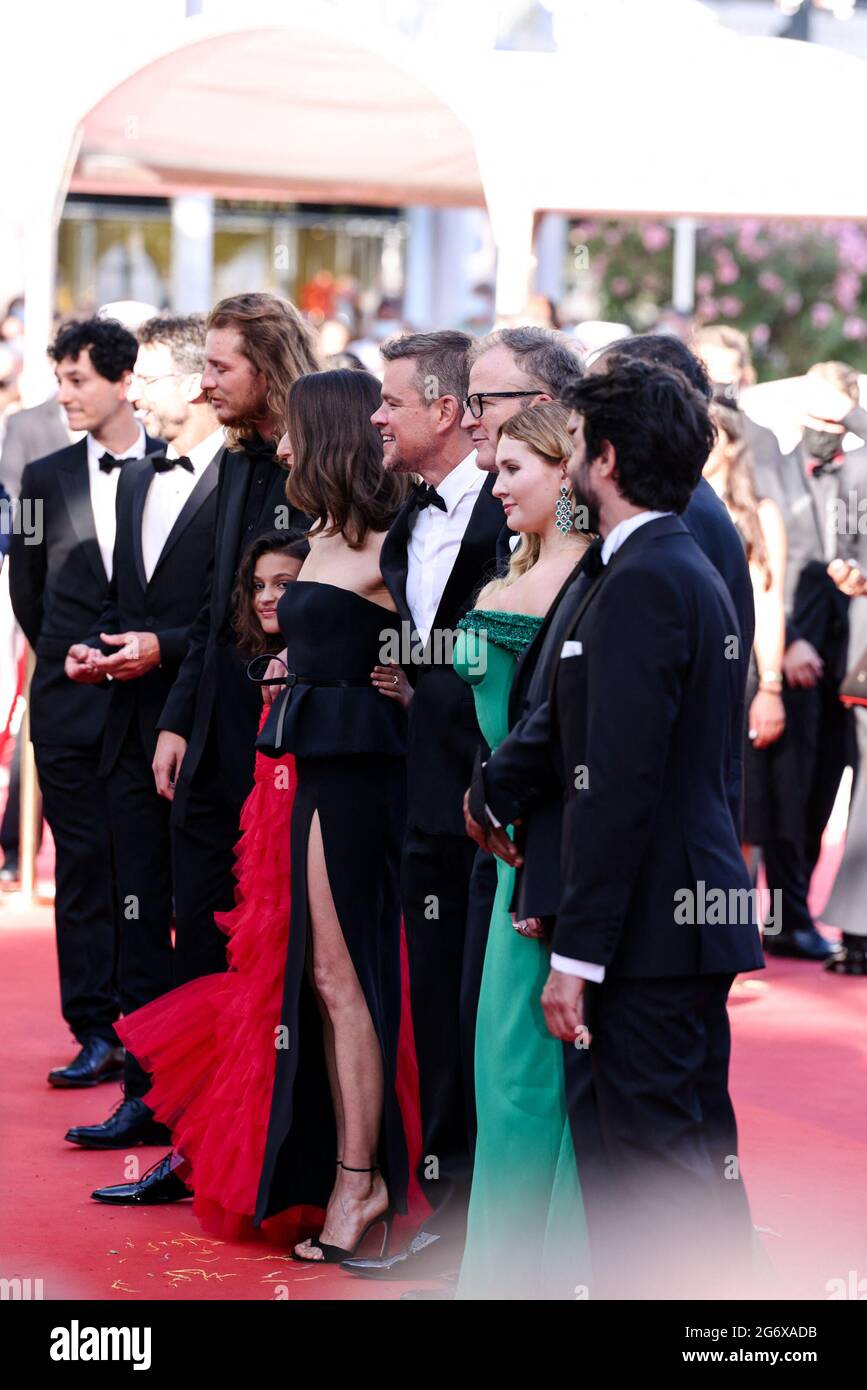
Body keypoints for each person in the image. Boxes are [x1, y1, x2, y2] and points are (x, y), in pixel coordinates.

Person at [543, 359, 764, 1298]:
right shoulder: (668, 562)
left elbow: (619, 785)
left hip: (650, 931)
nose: (561, 475)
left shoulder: (646, 577)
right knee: (683, 1159)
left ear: (607, 456)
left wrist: (576, 957)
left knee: (651, 1174)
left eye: (572, 452)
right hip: (678, 918)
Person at [343, 331, 504, 1283]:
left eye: (392, 401)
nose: (376, 417)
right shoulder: (407, 521)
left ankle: (508, 1214)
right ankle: (450, 1208)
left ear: (443, 411)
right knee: (438, 1009)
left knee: (496, 1019)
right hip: (421, 803)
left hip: (500, 804)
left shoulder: (533, 504)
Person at [89, 532, 309, 1225]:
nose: (270, 597)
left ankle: (264, 1163)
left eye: (285, 584)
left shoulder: (325, 655)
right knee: (233, 986)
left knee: (278, 995)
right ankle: (202, 1152)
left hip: (301, 842)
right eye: (259, 586)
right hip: (246, 832)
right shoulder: (240, 659)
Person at [62, 314, 223, 1149]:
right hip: (124, 729)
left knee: (198, 923)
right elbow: (130, 606)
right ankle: (145, 1094)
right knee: (135, 921)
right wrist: (101, 650)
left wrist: (166, 650)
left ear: (197, 381)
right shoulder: (134, 479)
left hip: (204, 735)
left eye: (152, 374)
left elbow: (243, 619)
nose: (138, 388)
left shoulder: (243, 477)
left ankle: (203, 1108)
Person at [454, 402, 591, 1300]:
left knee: (531, 1081)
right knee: (518, 1081)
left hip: (537, 858)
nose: (493, 484)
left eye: (513, 469)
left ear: (564, 474)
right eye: (492, 467)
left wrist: (493, 789)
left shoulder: (580, 583)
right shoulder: (529, 571)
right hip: (506, 849)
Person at [9, 317, 163, 1087]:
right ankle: (94, 1027)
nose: (64, 395)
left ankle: (148, 1026)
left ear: (123, 381)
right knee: (80, 870)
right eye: (60, 380)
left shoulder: (174, 469)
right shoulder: (42, 478)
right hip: (68, 707)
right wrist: (70, 657)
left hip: (147, 708)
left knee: (140, 865)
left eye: (78, 380)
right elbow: (27, 593)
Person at [152, 293, 316, 984]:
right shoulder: (238, 458)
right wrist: (177, 721)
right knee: (194, 913)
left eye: (220, 367)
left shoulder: (323, 466)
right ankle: (177, 1088)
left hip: (292, 734)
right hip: (215, 725)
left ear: (269, 367)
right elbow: (212, 606)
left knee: (272, 932)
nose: (203, 383)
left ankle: (265, 1094)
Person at [757, 362, 860, 961]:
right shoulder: (773, 468)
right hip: (787, 654)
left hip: (845, 666)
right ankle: (784, 915)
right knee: (782, 798)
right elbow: (762, 565)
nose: (826, 425)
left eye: (837, 415)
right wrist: (788, 638)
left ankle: (794, 913)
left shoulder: (860, 473)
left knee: (824, 793)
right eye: (818, 411)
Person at [703, 403, 788, 863]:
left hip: (740, 671)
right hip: (689, 667)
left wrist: (770, 686)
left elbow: (768, 600)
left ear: (732, 445)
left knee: (744, 807)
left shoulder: (757, 512)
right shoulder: (669, 502)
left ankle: (738, 921)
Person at [692, 323, 785, 492]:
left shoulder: (760, 439)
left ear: (743, 377)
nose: (714, 385)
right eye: (704, 373)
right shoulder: (670, 428)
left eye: (724, 376)